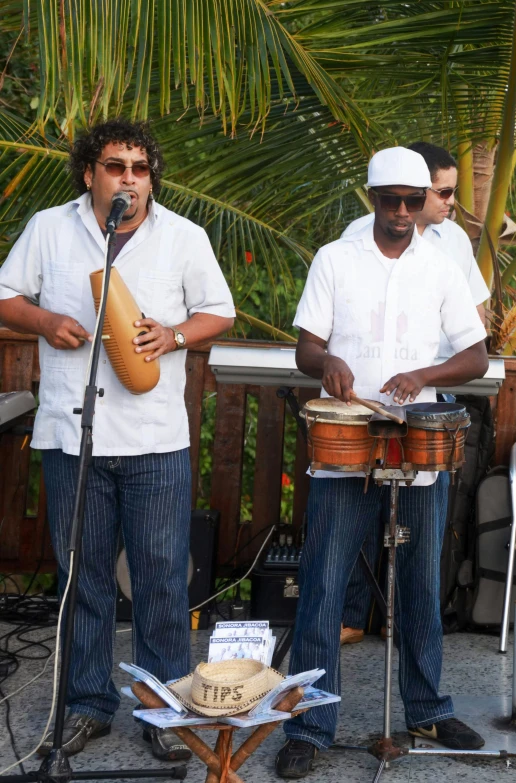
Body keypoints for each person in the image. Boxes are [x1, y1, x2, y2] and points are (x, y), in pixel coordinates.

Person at [0, 118, 235, 760]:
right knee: (84, 579)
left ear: (151, 177)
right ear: (90, 174)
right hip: (71, 437)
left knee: (160, 579)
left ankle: (163, 714)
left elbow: (220, 309)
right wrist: (45, 320)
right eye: (115, 166)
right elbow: (5, 294)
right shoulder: (51, 228)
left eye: (139, 167)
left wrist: (176, 335)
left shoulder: (184, 236)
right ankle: (87, 705)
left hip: (155, 438)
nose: (128, 177)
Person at [275, 146, 489, 779]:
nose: (400, 213)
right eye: (389, 200)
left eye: (412, 201)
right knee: (323, 584)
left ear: (425, 201)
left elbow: (475, 358)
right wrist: (327, 364)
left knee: (421, 583)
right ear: (370, 198)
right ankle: (310, 725)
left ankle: (425, 708)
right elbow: (306, 348)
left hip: (417, 441)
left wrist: (423, 373)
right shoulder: (336, 259)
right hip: (347, 443)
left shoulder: (445, 267)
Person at [340, 142, 490, 646]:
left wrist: (427, 373)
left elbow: (476, 333)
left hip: (432, 403)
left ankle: (410, 641)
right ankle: (355, 615)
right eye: (443, 192)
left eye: (426, 195)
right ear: (379, 198)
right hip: (360, 413)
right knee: (360, 525)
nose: (448, 202)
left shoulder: (450, 251)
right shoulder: (349, 245)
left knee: (419, 551)